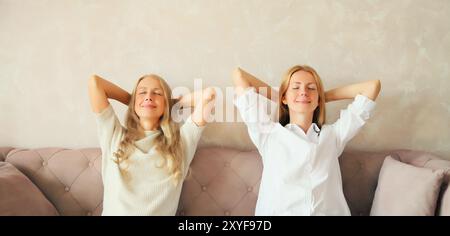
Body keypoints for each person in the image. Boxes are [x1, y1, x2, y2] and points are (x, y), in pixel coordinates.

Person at [232, 65, 381, 215]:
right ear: (283, 97)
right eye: (296, 87)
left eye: (311, 88)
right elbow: (240, 76)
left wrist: (321, 98)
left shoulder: (334, 135)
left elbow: (372, 87)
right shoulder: (267, 133)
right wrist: (283, 97)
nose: (304, 92)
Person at [88, 74, 216, 215]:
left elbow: (209, 96)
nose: (149, 96)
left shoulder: (180, 143)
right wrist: (133, 101)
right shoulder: (114, 135)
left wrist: (170, 104)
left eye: (157, 93)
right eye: (142, 92)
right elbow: (95, 83)